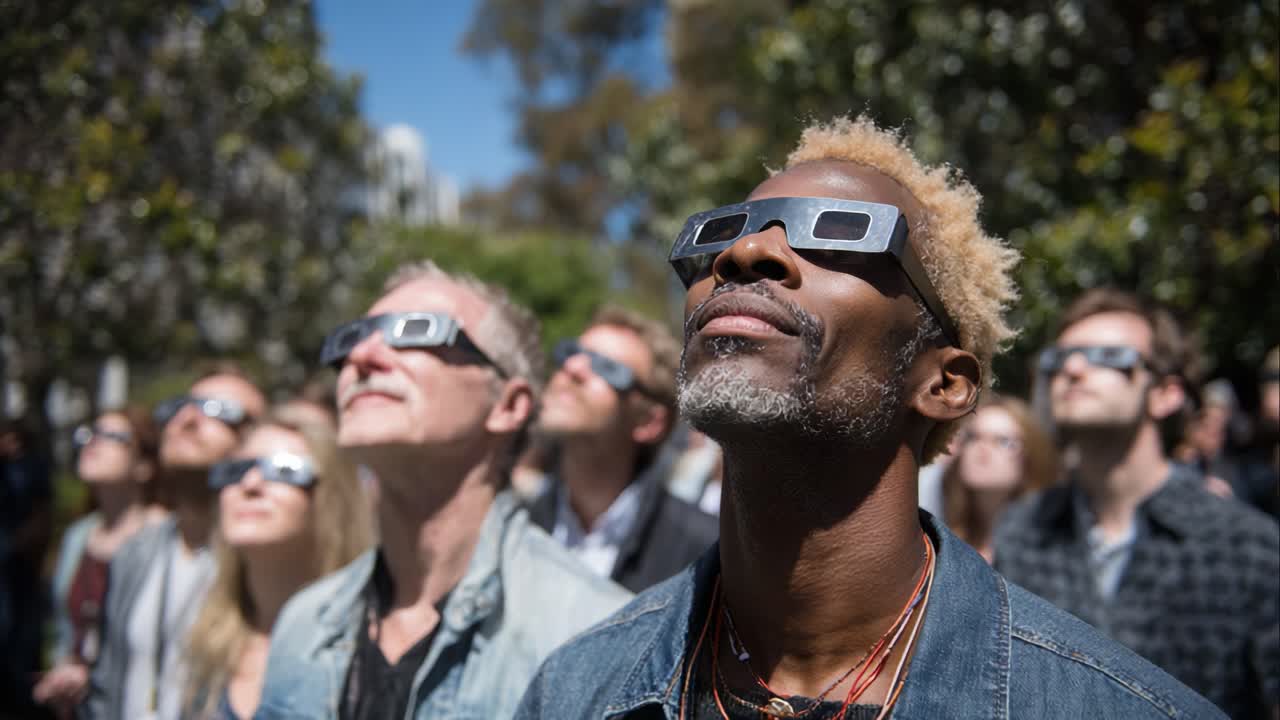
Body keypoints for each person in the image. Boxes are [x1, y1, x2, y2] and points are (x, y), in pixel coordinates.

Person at [515, 115, 1225, 719]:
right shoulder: (574, 691)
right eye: (724, 232)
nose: (746, 253)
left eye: (838, 232)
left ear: (944, 384)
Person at [255, 261, 631, 720]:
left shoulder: (597, 639)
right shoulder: (302, 626)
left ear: (508, 406)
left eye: (415, 331)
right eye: (352, 338)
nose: (362, 356)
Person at [995, 288, 1278, 718]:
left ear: (1165, 393)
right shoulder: (1021, 533)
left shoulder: (1246, 546)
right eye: (1060, 358)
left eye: (1108, 356)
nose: (1073, 369)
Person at [83, 366, 266, 720]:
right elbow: (106, 681)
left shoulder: (268, 560)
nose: (187, 419)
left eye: (218, 410)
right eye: (181, 406)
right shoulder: (135, 553)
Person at [184, 409, 372, 719]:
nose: (250, 483)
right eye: (237, 469)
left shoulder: (367, 643)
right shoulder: (207, 636)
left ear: (332, 499)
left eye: (284, 469)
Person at [528, 306, 719, 592]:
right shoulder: (515, 524)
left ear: (649, 422)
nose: (573, 368)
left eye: (605, 367)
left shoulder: (705, 555)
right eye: (570, 352)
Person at [35, 408, 165, 718]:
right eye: (92, 433)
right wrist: (63, 670)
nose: (94, 442)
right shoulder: (78, 536)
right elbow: (69, 631)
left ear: (144, 465)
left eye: (113, 436)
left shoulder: (167, 539)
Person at [940, 395, 1057, 562]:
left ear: (1031, 457)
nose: (982, 449)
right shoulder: (939, 539)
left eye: (1003, 441)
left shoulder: (1049, 546)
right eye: (973, 437)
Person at [0, 416, 54, 718]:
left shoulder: (32, 467)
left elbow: (42, 516)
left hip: (21, 567)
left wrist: (15, 544)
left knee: (21, 641)